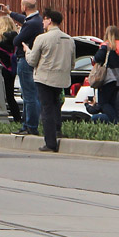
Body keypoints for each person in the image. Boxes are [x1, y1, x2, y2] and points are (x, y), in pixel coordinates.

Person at [23, 8, 76, 153]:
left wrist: (27, 51)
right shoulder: (69, 39)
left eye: (44, 20)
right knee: (56, 106)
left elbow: (32, 61)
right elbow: (72, 63)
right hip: (62, 79)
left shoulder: (42, 38)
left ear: (49, 20)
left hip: (44, 78)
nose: (42, 23)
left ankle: (50, 142)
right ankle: (58, 131)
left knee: (46, 109)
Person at [7, 0, 44, 136]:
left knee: (29, 95)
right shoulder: (36, 20)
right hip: (33, 60)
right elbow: (24, 20)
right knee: (31, 94)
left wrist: (18, 32)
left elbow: (16, 41)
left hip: (25, 59)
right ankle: (28, 125)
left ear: (24, 7)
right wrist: (9, 12)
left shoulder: (30, 24)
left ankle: (30, 126)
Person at [86, 26, 119, 124]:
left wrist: (94, 59)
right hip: (118, 79)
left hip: (107, 78)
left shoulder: (106, 45)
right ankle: (117, 121)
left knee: (104, 103)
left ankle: (115, 122)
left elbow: (98, 58)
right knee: (113, 102)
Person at [0, 14, 22, 125]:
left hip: (1, 70)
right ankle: (17, 119)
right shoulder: (16, 39)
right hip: (12, 70)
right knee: (10, 97)